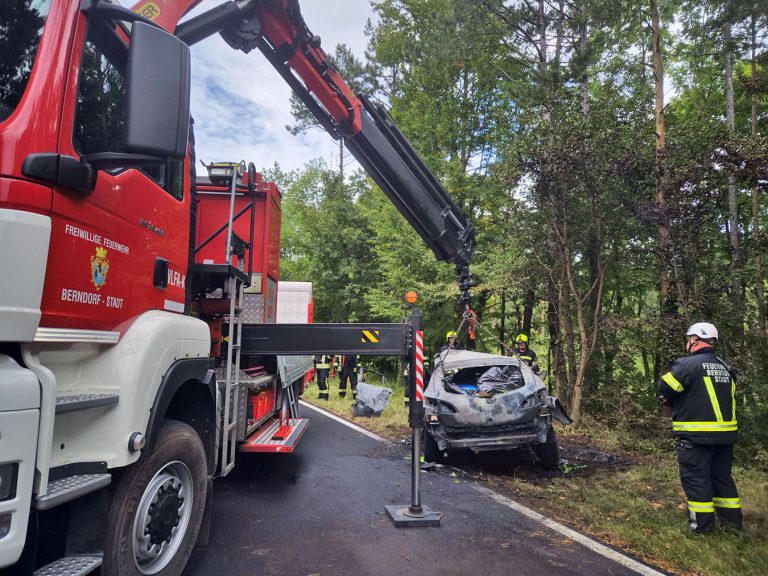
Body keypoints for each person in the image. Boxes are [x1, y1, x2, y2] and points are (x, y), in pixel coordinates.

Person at [657, 322, 742, 534]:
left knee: (697, 482)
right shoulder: (726, 367)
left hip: (696, 437)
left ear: (695, 340)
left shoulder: (687, 365)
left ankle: (701, 530)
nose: (688, 343)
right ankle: (733, 528)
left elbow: (665, 387)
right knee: (723, 481)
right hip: (725, 438)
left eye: (689, 339)